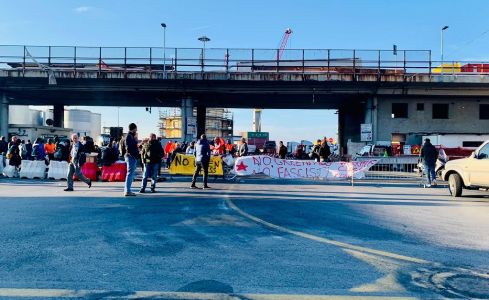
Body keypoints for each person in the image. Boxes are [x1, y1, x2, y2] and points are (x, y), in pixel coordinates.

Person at [122, 123, 139, 196]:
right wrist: (133, 155)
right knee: (130, 174)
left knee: (129, 174)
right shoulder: (129, 136)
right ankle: (128, 191)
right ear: (134, 128)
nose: (136, 130)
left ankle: (127, 190)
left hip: (129, 156)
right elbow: (130, 147)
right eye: (136, 128)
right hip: (131, 156)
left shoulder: (128, 136)